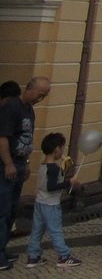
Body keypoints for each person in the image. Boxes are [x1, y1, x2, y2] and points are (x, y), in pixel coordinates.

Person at [0, 77, 50, 271]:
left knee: (12, 210)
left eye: (44, 96)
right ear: (29, 89)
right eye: (40, 94)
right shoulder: (11, 107)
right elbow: (3, 138)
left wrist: (27, 162)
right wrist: (8, 163)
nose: (41, 98)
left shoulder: (29, 110)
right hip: (8, 165)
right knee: (2, 211)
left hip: (20, 164)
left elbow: (26, 138)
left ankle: (3, 249)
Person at [24, 132, 81, 268]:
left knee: (37, 230)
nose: (62, 151)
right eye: (62, 148)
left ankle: (33, 256)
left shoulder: (43, 165)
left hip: (40, 202)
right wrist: (69, 182)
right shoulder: (53, 168)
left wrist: (64, 170)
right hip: (51, 205)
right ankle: (64, 256)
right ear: (57, 149)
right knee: (56, 231)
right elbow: (52, 186)